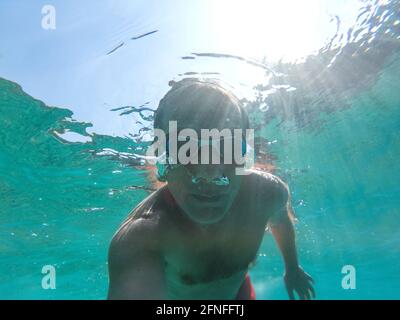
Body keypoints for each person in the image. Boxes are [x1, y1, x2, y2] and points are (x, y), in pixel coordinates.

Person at [107, 78, 315, 300]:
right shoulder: (143, 236)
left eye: (228, 147)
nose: (210, 176)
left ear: (245, 156)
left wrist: (292, 269)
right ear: (162, 161)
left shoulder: (268, 193)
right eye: (185, 150)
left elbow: (280, 220)